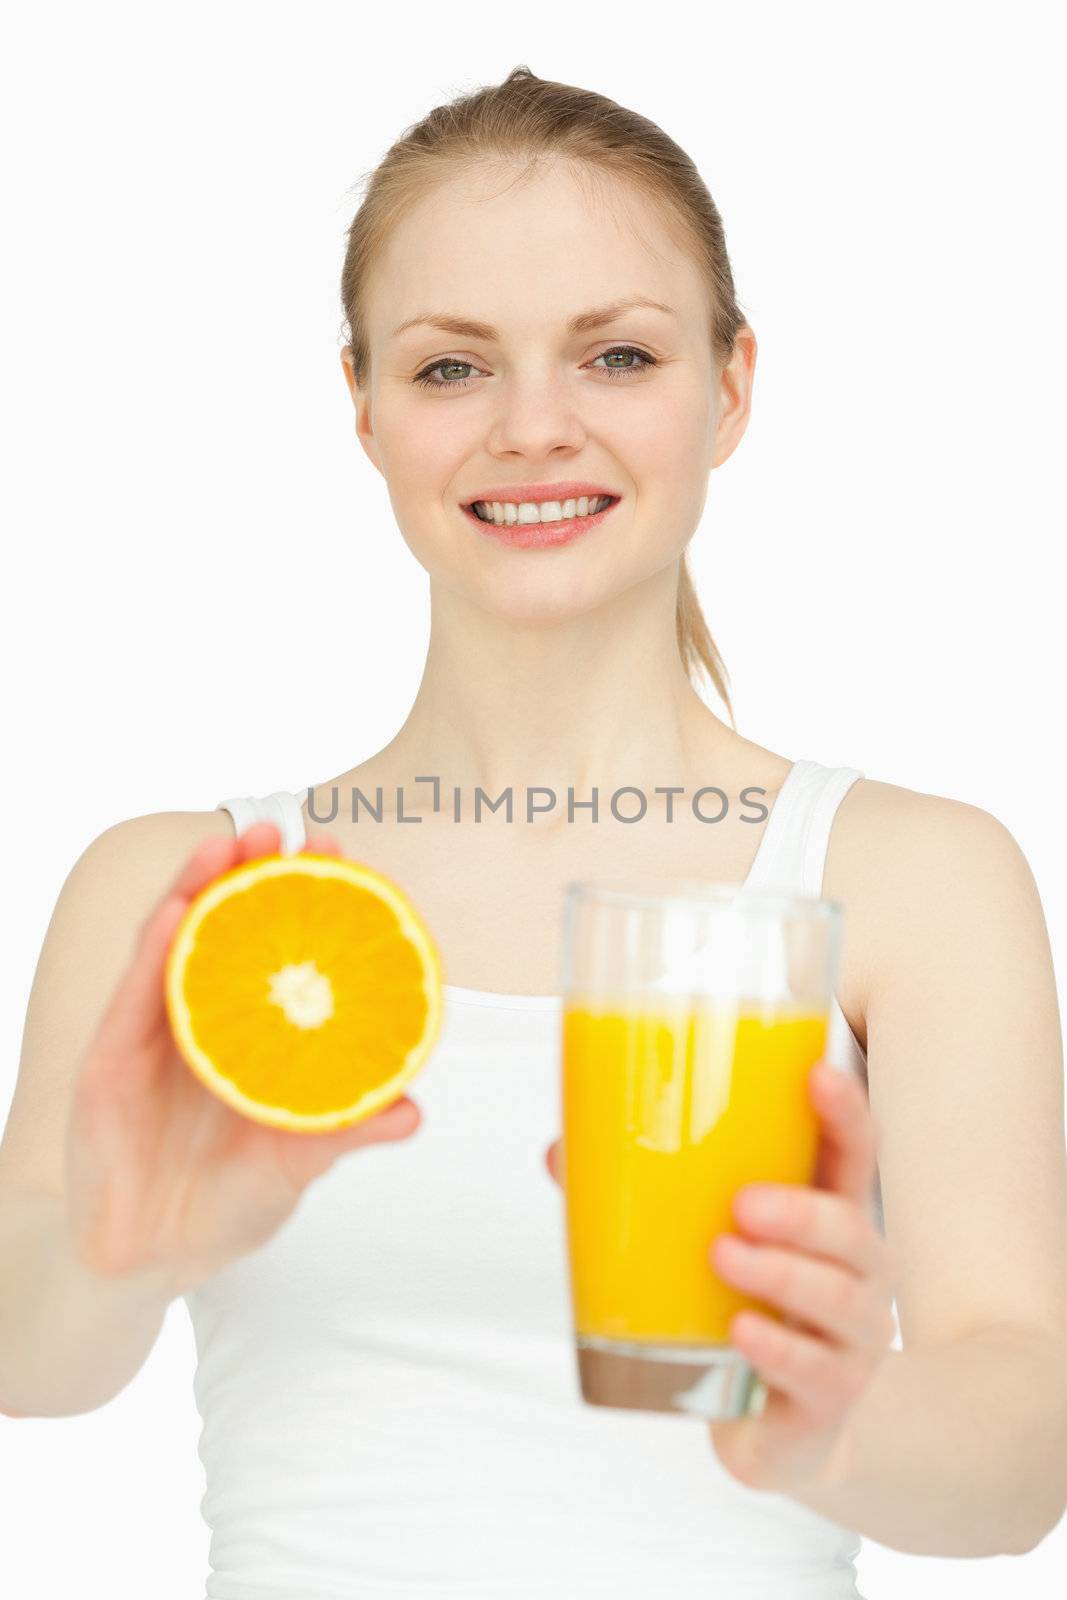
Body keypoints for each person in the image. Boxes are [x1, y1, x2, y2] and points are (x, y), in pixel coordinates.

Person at [2, 63, 1065, 1599]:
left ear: (732, 386)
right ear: (361, 405)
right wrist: (124, 1246)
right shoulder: (190, 892)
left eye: (617, 355)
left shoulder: (910, 881)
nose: (534, 428)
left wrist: (829, 1416)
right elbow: (32, 1366)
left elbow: (1022, 1458)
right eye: (451, 370)